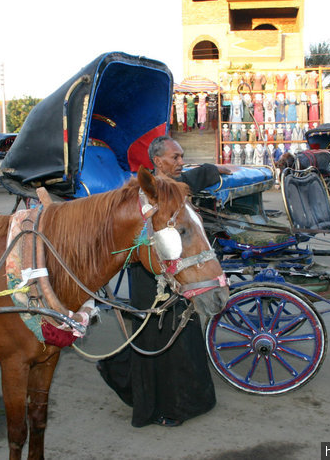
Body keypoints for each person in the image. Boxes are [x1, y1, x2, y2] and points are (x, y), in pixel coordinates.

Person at [97, 136, 230, 428]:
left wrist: (215, 169)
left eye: (182, 157)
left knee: (184, 336)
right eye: (175, 157)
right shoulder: (140, 193)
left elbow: (195, 177)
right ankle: (161, 407)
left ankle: (189, 399)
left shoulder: (174, 187)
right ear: (157, 161)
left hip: (180, 276)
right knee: (159, 342)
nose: (181, 162)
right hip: (149, 278)